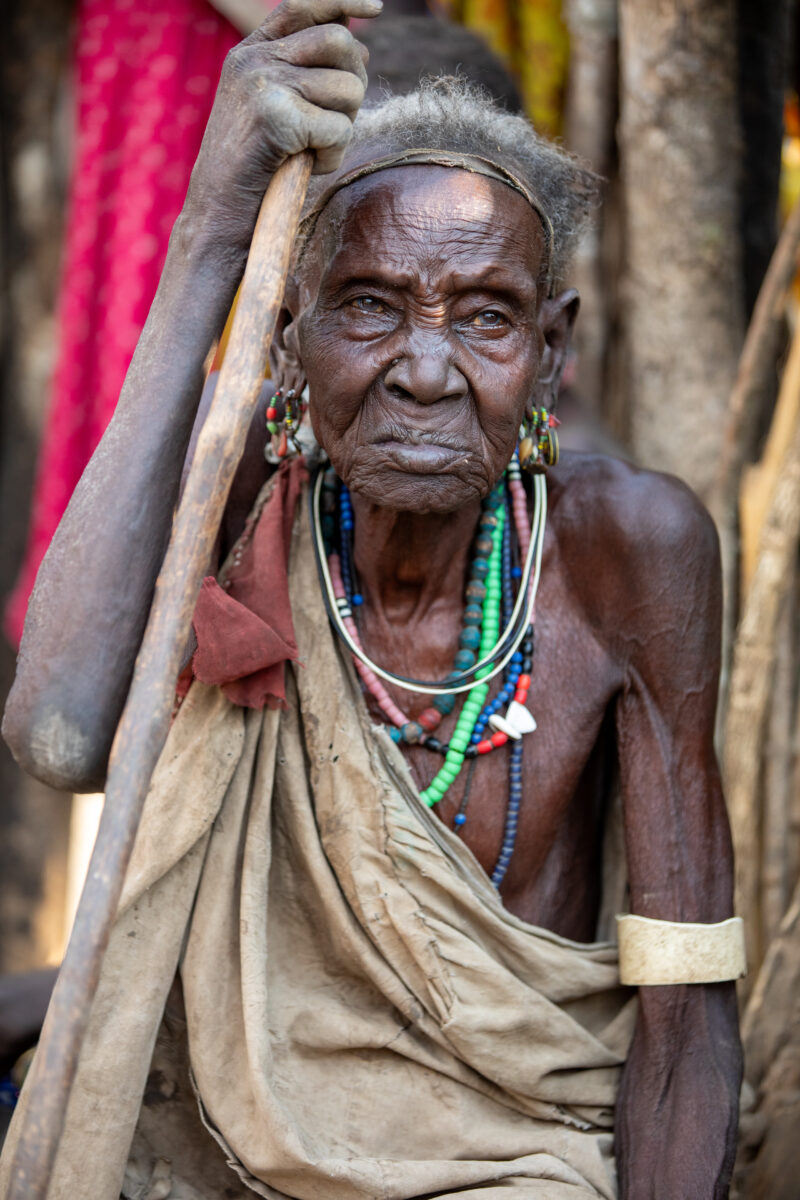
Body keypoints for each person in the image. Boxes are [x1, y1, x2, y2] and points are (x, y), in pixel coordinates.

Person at [1, 1, 744, 1196]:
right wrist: (207, 237)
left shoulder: (625, 548)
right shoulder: (233, 491)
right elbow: (58, 730)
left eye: (486, 318)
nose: (425, 368)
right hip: (223, 1126)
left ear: (551, 351)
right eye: (369, 306)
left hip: (509, 1150)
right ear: (289, 335)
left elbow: (683, 1019)